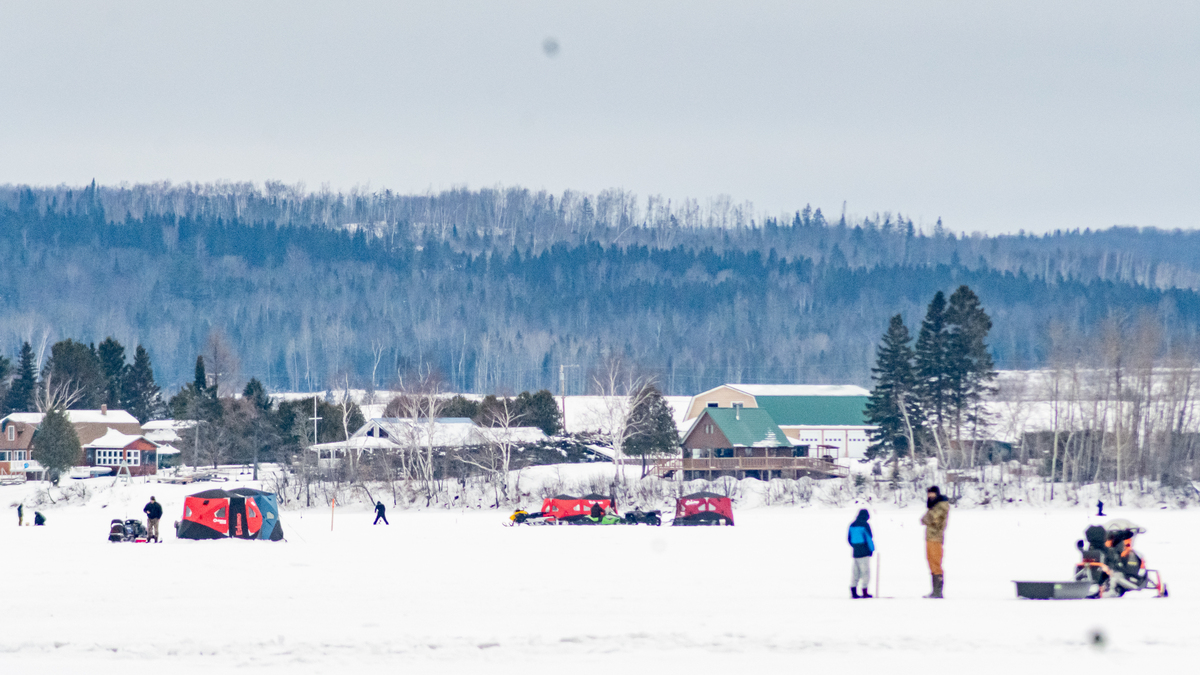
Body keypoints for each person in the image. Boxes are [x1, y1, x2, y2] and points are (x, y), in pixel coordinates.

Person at [920, 486, 950, 598]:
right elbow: (925, 519)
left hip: (936, 537)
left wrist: (926, 519)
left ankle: (938, 591)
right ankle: (935, 591)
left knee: (935, 563)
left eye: (932, 494)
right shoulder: (933, 505)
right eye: (929, 494)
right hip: (930, 537)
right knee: (931, 561)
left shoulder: (941, 505)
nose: (930, 496)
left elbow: (932, 519)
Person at [848, 508, 875, 599]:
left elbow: (849, 539)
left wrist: (855, 547)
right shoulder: (865, 525)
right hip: (864, 551)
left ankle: (853, 591)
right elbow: (869, 539)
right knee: (865, 572)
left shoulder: (852, 524)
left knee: (855, 572)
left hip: (855, 552)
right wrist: (871, 549)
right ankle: (865, 592)